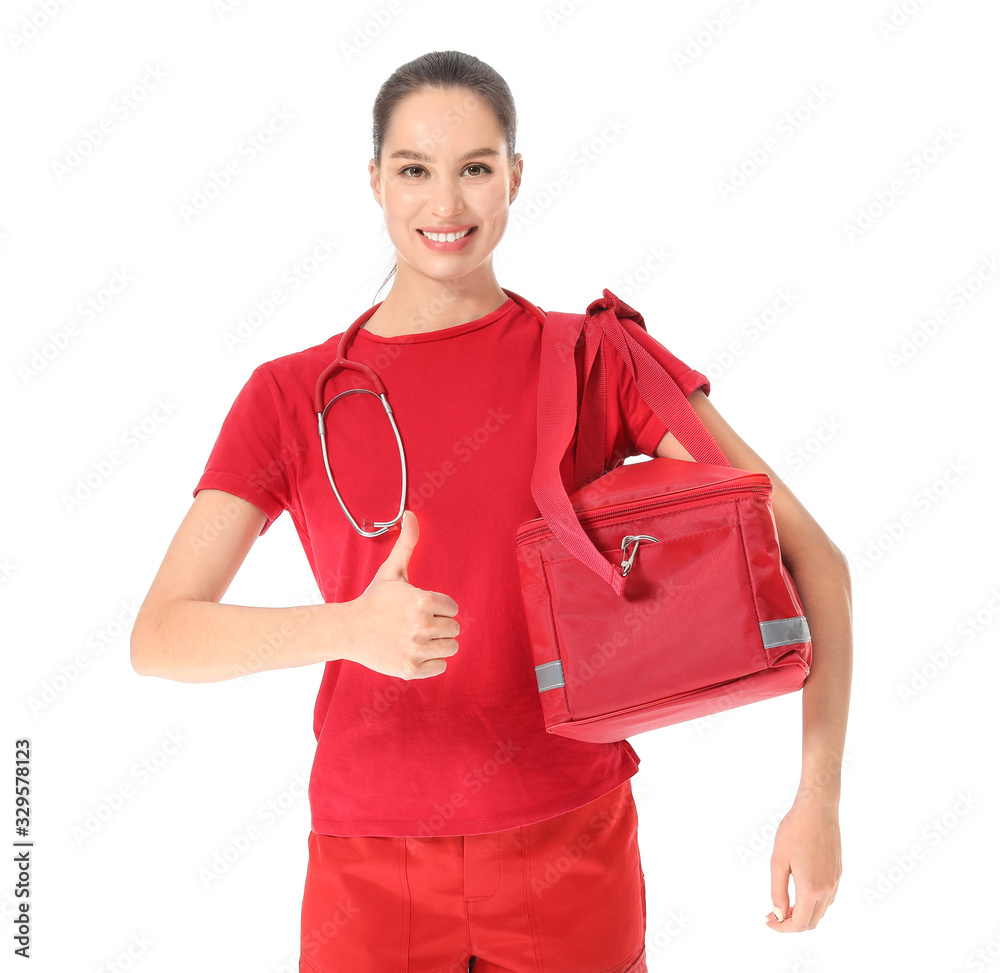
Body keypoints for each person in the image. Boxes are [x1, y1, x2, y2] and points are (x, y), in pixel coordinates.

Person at [130, 50, 851, 973]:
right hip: (369, 861)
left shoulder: (595, 360)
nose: (446, 203)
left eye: (475, 167)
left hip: (568, 846)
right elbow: (161, 634)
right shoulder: (289, 394)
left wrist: (817, 799)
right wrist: (348, 628)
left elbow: (814, 562)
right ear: (374, 182)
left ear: (514, 174)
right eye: (414, 170)